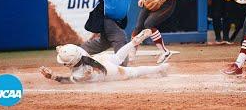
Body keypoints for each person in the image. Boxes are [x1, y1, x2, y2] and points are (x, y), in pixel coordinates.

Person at [49, 0, 159, 66]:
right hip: (105, 18)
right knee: (120, 38)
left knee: (103, 43)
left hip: (119, 20)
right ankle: (122, 67)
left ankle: (74, 53)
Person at [39, 29, 169, 83]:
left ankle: (162, 68)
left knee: (135, 71)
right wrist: (62, 50)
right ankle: (133, 43)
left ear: (70, 63)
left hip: (107, 72)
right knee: (118, 57)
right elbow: (69, 51)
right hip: (100, 59)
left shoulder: (80, 75)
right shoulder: (78, 51)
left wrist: (53, 77)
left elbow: (66, 80)